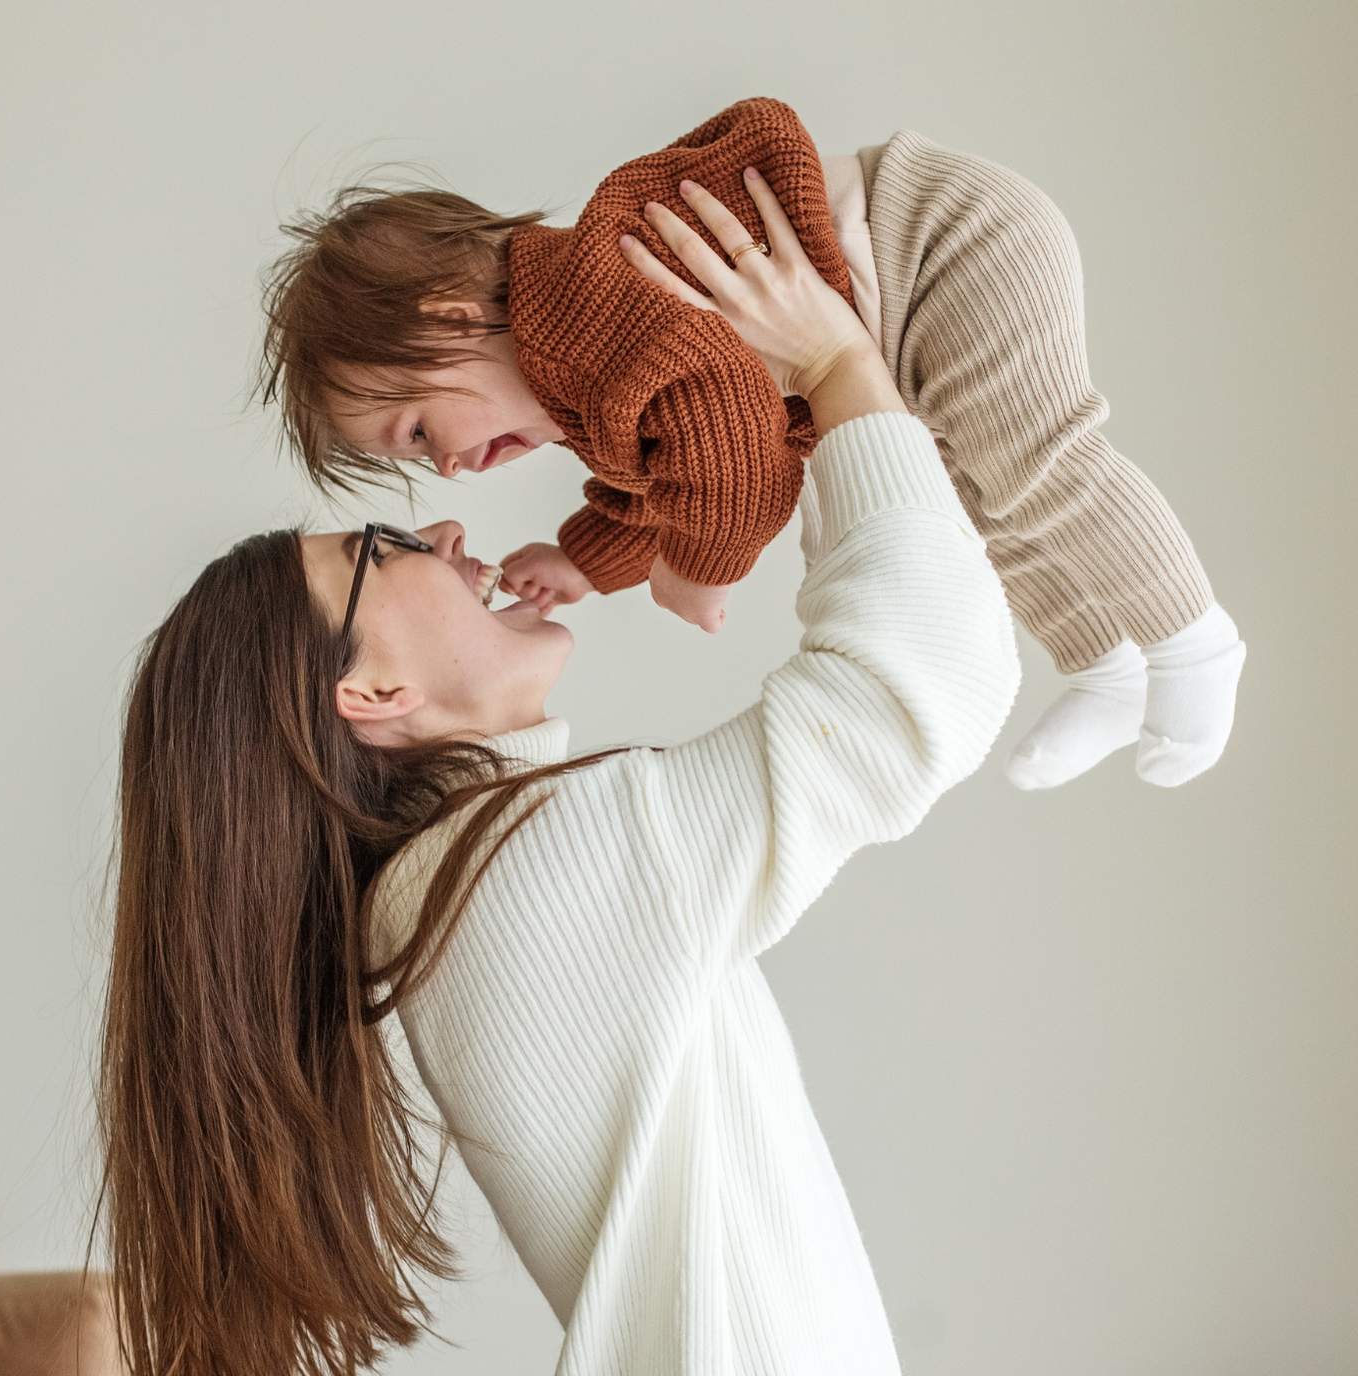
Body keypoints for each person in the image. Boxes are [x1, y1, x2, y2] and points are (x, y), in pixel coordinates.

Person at [99, 180, 1016, 1376]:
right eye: (386, 547)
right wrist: (835, 365)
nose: (450, 529)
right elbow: (921, 679)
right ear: (369, 694)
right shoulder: (521, 868)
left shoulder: (456, 890)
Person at [261, 96, 1246, 790]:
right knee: (984, 499)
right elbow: (650, 477)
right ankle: (1105, 665)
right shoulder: (574, 376)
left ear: (448, 320)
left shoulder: (583, 305)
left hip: (937, 243)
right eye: (415, 458)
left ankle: (1195, 644)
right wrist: (583, 559)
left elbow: (729, 437)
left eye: (420, 428)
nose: (440, 468)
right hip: (899, 317)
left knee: (1039, 469)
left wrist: (699, 564)